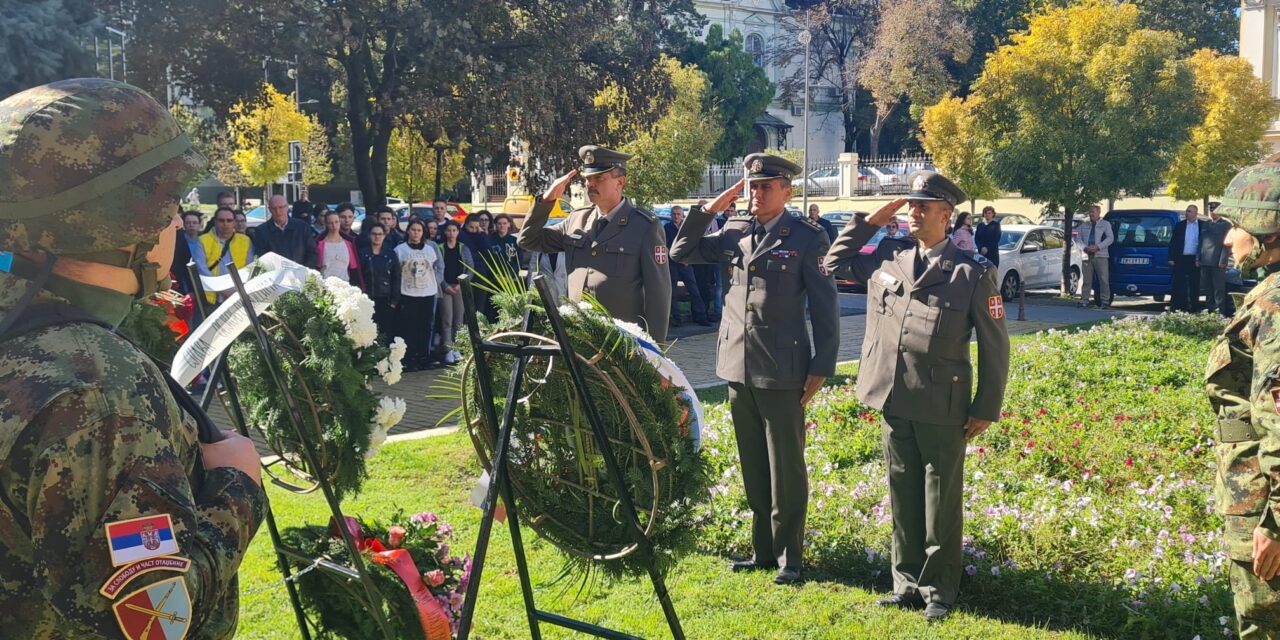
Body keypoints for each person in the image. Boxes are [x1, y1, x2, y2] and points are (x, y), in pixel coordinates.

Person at [0, 77, 265, 639]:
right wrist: (239, 490)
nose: (176, 222)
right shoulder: (98, 389)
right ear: (125, 223)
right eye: (168, 205)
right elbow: (152, 622)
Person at [824, 171, 1010, 622]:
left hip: (942, 406)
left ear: (946, 215)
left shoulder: (971, 273)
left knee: (939, 501)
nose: (913, 212)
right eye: (910, 205)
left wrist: (985, 406)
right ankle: (904, 582)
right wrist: (870, 220)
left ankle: (938, 590)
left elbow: (995, 344)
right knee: (903, 496)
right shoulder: (891, 259)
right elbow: (834, 261)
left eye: (923, 206)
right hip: (894, 398)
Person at [671, 153, 840, 585]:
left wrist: (822, 363)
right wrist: (708, 209)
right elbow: (682, 250)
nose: (757, 192)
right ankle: (762, 550)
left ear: (787, 190)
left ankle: (791, 558)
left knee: (786, 467)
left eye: (766, 186)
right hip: (736, 364)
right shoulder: (733, 231)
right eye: (752, 185)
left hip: (783, 369)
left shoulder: (806, 237)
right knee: (752, 465)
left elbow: (825, 306)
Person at [1205, 159, 1280, 637]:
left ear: (1267, 230)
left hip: (1263, 503)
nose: (1228, 239)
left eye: (1236, 225)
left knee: (1263, 625)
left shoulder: (1276, 306)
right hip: (1255, 496)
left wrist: (1274, 526)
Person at [517, 145, 672, 342]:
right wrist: (547, 200)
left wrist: (655, 350)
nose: (591, 184)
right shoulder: (576, 220)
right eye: (588, 179)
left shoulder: (644, 226)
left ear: (620, 182)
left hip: (623, 343)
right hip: (579, 341)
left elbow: (658, 293)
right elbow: (528, 239)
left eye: (599, 178)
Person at [395, 219, 440, 371]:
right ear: (408, 231)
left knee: (426, 326)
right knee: (410, 327)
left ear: (423, 233)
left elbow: (434, 267)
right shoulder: (400, 250)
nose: (416, 233)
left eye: (419, 230)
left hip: (428, 292)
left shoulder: (429, 250)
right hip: (408, 293)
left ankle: (424, 356)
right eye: (413, 230)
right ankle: (410, 358)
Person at [198, 206, 255, 304]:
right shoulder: (202, 241)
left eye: (229, 220)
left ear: (234, 222)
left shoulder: (245, 241)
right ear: (215, 222)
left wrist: (239, 292)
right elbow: (202, 271)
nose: (225, 224)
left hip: (239, 296)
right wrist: (225, 291)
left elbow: (250, 268)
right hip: (213, 298)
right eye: (221, 220)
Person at [664, 205, 709, 327]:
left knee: (694, 291)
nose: (676, 216)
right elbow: (666, 245)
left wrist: (688, 259)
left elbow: (693, 243)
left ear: (683, 215)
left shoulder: (687, 227)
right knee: (672, 292)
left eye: (678, 214)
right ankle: (676, 318)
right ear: (671, 215)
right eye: (674, 214)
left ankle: (701, 316)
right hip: (673, 263)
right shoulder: (666, 228)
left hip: (686, 264)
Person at [438, 221, 474, 363]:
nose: (451, 233)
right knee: (447, 319)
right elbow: (438, 268)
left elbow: (470, 267)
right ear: (445, 232)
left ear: (458, 232)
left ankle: (457, 348)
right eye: (449, 230)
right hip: (446, 288)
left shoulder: (463, 248)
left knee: (459, 319)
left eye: (454, 230)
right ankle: (448, 350)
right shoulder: (440, 248)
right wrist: (445, 285)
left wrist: (461, 283)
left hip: (460, 287)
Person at [360, 223, 401, 343]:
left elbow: (396, 277)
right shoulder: (363, 254)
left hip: (386, 300)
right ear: (369, 235)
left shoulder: (390, 254)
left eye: (380, 234)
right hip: (368, 299)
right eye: (374, 234)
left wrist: (394, 301)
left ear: (384, 236)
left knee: (386, 334)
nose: (377, 237)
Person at [252, 194, 317, 266]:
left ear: (287, 207)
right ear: (269, 209)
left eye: (281, 207)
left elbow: (312, 253)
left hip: (301, 273)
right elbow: (261, 258)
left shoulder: (302, 227)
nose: (278, 212)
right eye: (274, 208)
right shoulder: (262, 231)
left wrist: (304, 271)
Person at [1168, 204, 1205, 312]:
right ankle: (1176, 307)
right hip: (1181, 258)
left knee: (1195, 284)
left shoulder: (1203, 225)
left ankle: (1194, 307)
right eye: (1186, 211)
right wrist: (1171, 258)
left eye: (1189, 211)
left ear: (1195, 213)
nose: (1186, 213)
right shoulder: (1180, 225)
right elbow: (1173, 243)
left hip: (1195, 259)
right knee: (1178, 283)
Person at [1076, 205, 1114, 308]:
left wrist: (1098, 247)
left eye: (1093, 212)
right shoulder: (1084, 225)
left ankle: (1105, 301)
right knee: (1087, 280)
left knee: (1104, 279)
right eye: (1090, 212)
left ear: (1099, 213)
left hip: (1101, 256)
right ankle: (1085, 300)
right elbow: (1077, 238)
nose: (1091, 214)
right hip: (1087, 255)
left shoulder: (1105, 224)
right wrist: (1084, 248)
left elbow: (1110, 238)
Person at [317, 210, 365, 287]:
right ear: (326, 224)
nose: (334, 225)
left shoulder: (348, 244)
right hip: (325, 286)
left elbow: (353, 268)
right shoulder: (320, 245)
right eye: (331, 223)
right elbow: (317, 267)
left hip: (344, 286)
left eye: (336, 222)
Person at [1200, 204, 1232, 316]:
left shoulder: (1226, 225)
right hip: (1205, 261)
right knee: (1208, 289)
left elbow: (1227, 244)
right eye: (1210, 210)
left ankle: (1219, 313)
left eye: (1214, 210)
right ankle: (1210, 311)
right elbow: (1201, 242)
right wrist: (1198, 258)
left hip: (1217, 262)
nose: (1212, 212)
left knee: (1219, 289)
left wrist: (1223, 260)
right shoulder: (1206, 224)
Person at [492, 213, 522, 284]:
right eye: (499, 223)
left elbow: (519, 261)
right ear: (496, 225)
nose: (502, 226)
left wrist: (510, 276)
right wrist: (496, 276)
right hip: (494, 279)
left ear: (509, 224)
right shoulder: (490, 240)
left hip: (511, 279)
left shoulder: (515, 241)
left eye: (504, 223)